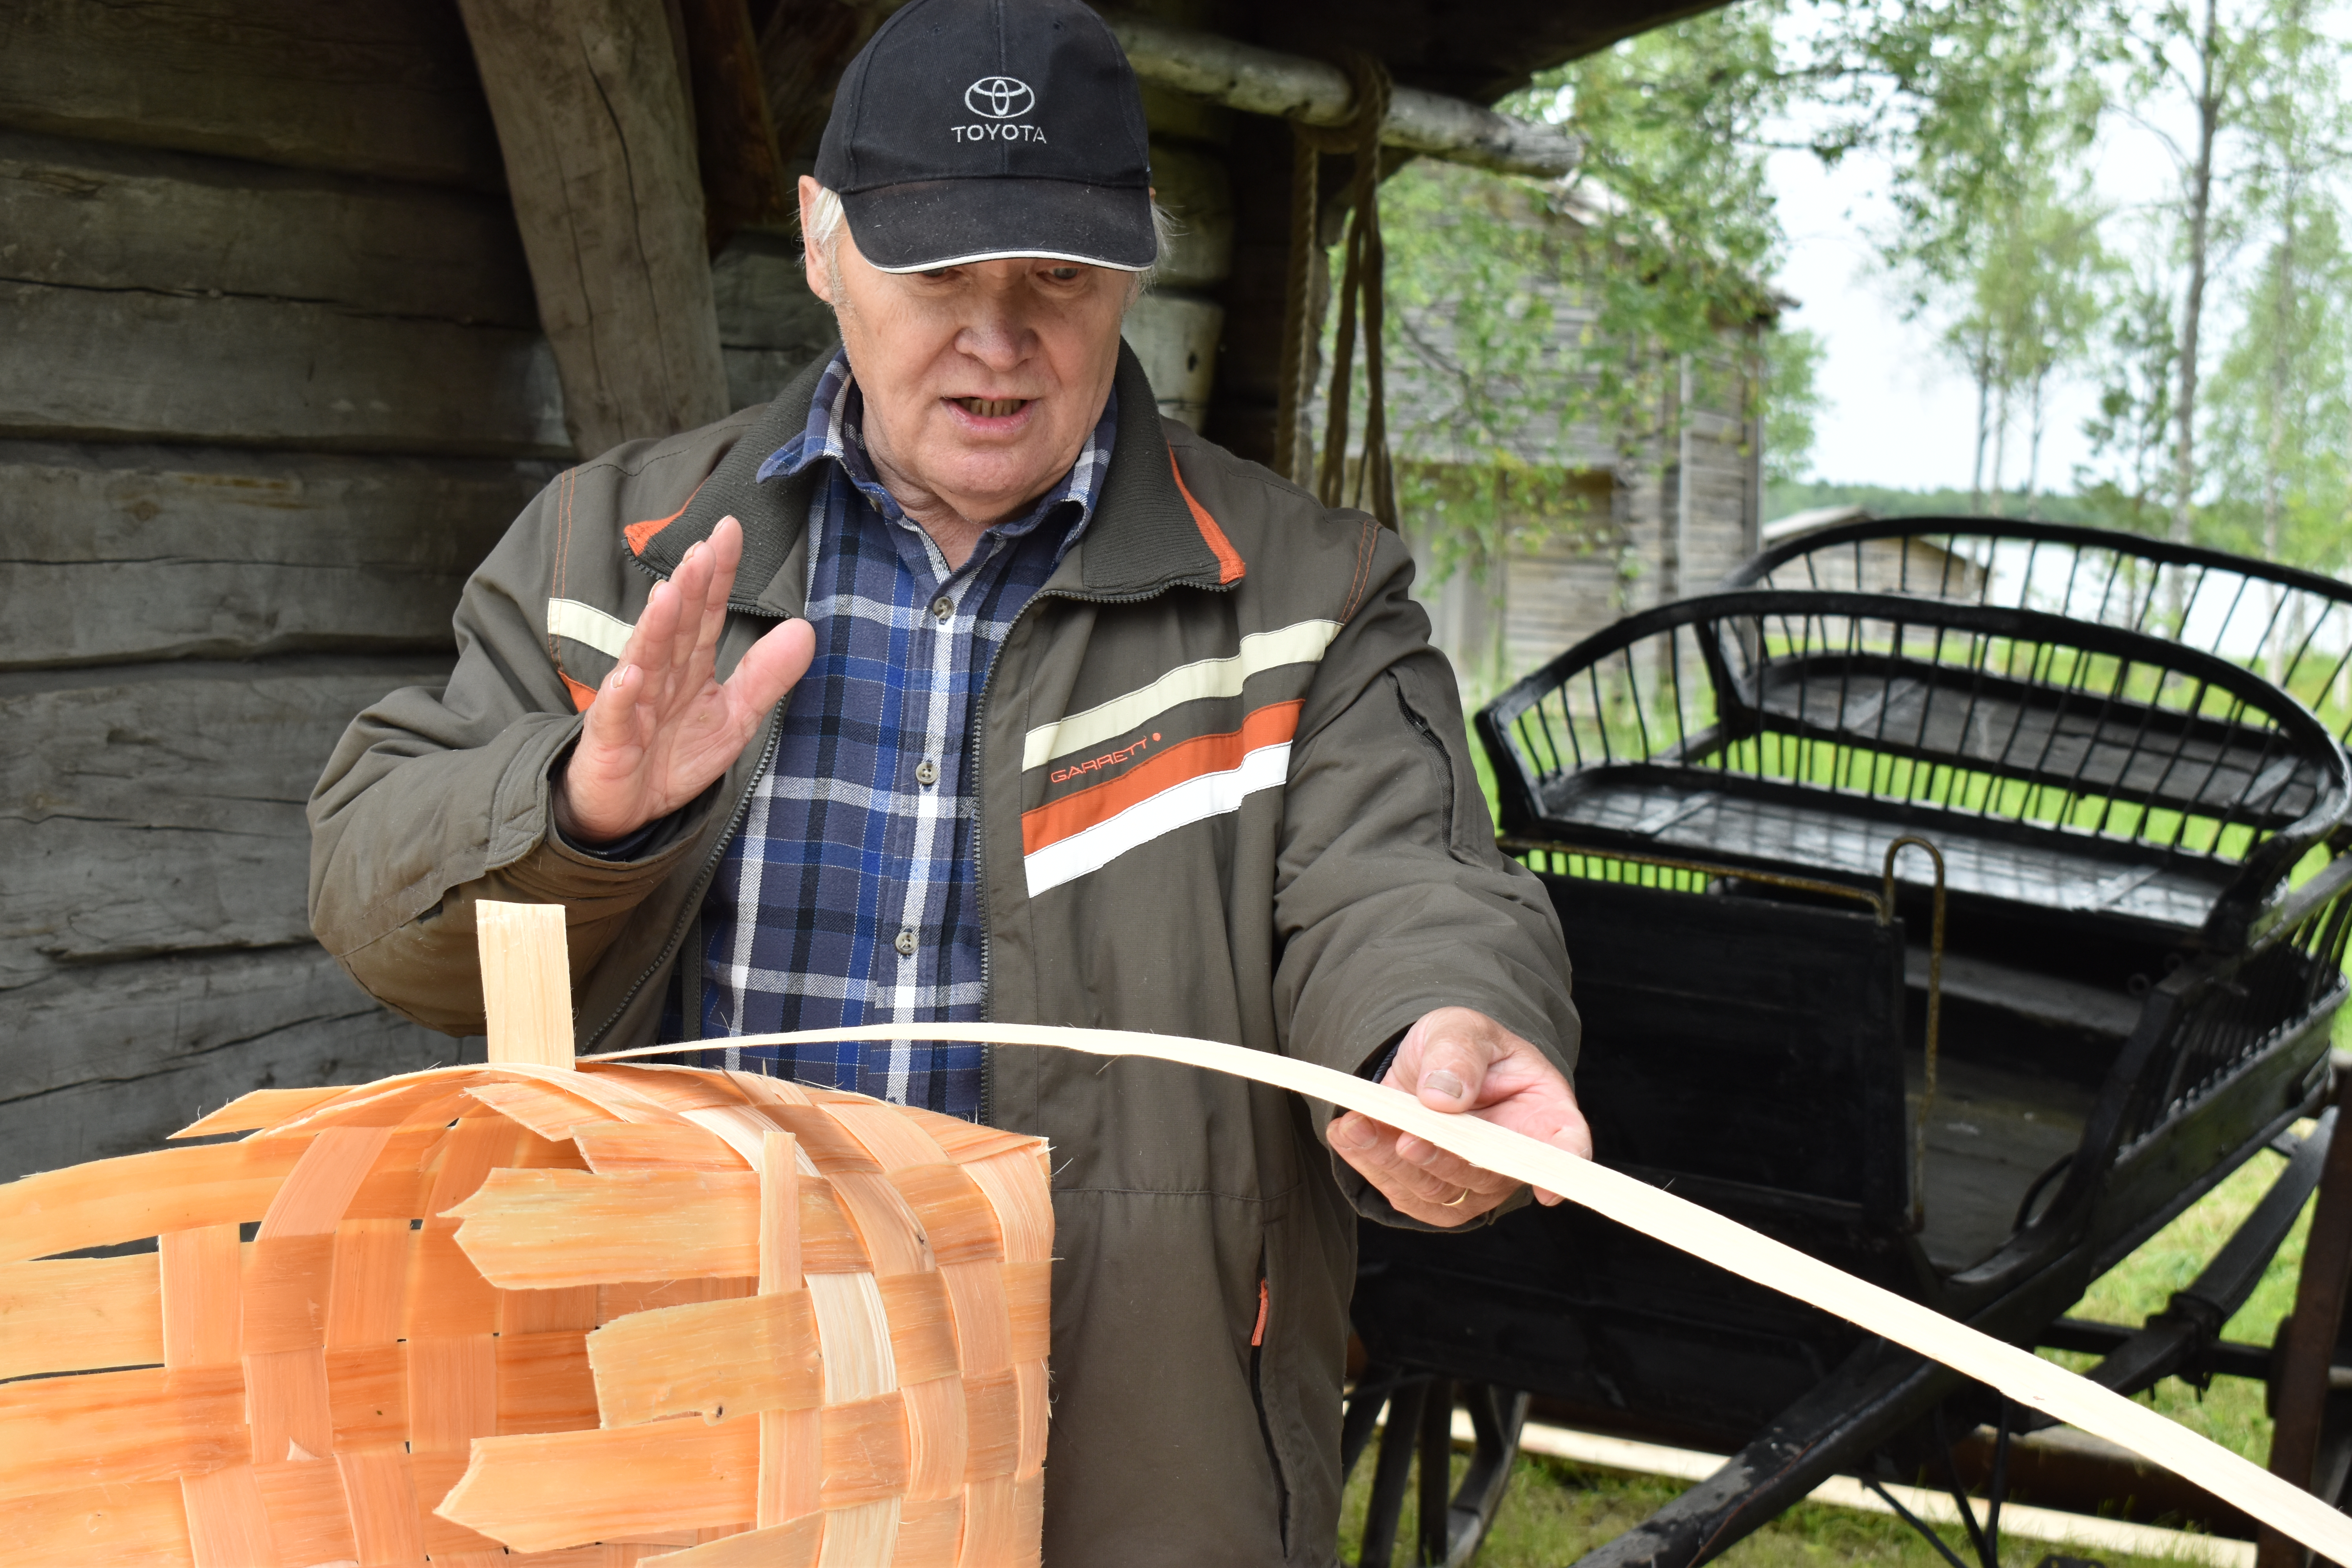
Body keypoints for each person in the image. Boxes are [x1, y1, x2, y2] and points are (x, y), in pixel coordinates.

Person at [308, 0, 1588, 1559]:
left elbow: (1403, 881)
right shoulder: (611, 554)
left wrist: (1440, 1036)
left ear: (1141, 255)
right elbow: (385, 907)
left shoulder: (1301, 596)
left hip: (1119, 1449)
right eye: (937, 274)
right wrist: (579, 809)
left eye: (1057, 273)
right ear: (822, 241)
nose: (999, 337)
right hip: (674, 1415)